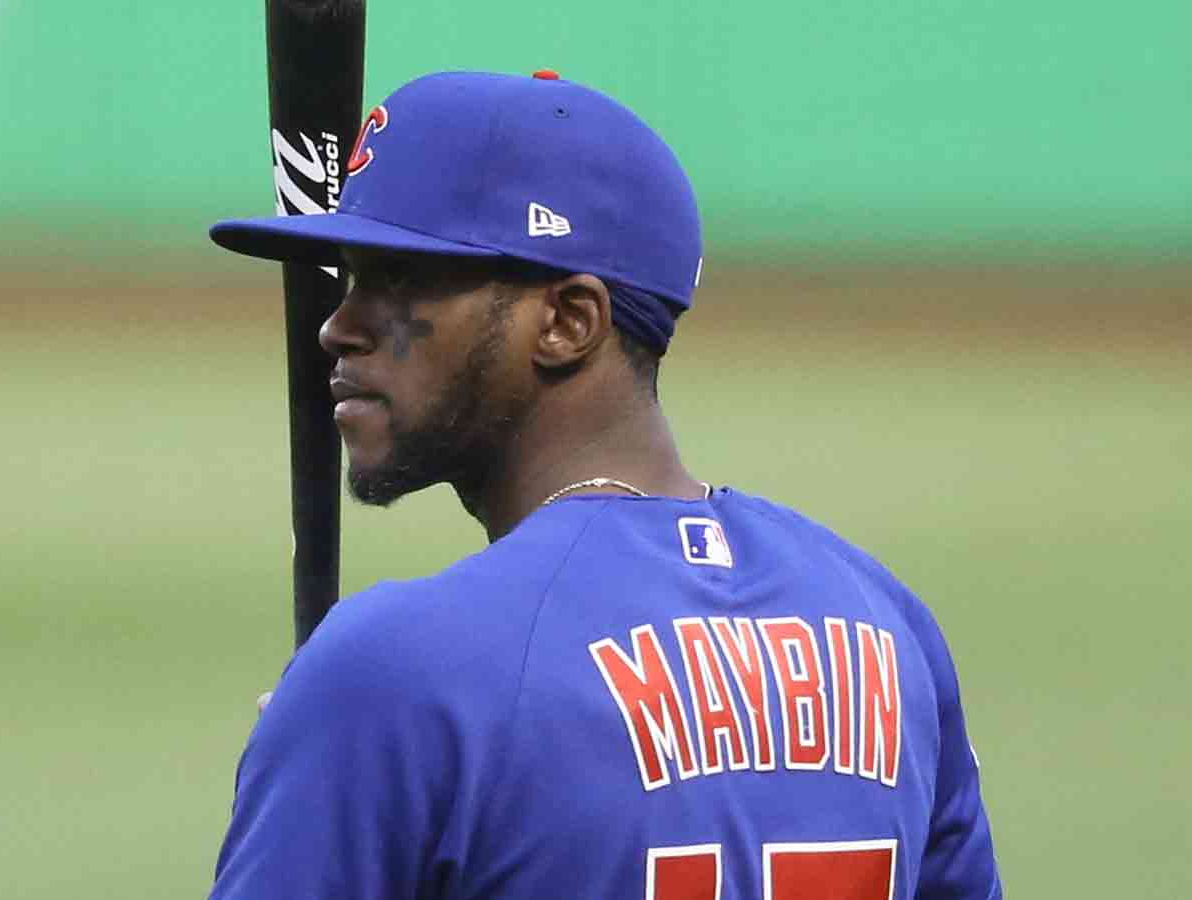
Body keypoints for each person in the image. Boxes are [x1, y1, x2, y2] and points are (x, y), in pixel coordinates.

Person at [205, 70, 1002, 900]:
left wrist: (327, 763)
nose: (338, 324)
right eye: (349, 275)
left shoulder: (396, 670)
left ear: (568, 322)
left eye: (401, 278)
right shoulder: (882, 621)